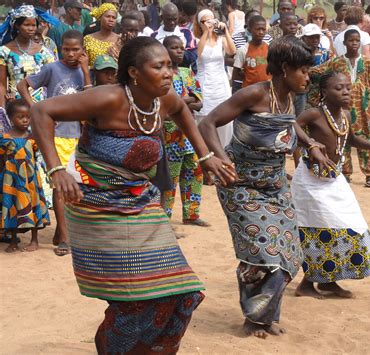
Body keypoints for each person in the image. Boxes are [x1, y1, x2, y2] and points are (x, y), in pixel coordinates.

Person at [30, 36, 236, 353]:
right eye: (159, 66)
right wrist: (57, 171)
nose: (168, 72)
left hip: (141, 202)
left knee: (180, 290)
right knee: (133, 297)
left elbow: (183, 111)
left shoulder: (164, 99)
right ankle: (112, 347)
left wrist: (206, 157)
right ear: (134, 73)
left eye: (169, 65)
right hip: (96, 205)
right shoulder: (107, 98)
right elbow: (42, 111)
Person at [199, 37, 326, 338]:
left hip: (276, 185)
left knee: (288, 252)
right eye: (304, 71)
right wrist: (219, 159)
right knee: (261, 250)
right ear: (285, 68)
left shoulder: (291, 98)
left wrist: (310, 145)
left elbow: (289, 123)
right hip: (240, 186)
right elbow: (208, 123)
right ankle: (253, 319)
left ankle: (266, 315)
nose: (308, 77)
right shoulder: (254, 94)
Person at [292, 74, 370, 299]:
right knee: (320, 230)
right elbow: (292, 125)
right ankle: (307, 283)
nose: (346, 92)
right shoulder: (314, 113)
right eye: (339, 88)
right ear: (324, 92)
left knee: (352, 227)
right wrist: (310, 144)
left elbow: (351, 140)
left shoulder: (345, 115)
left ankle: (328, 280)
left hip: (334, 178)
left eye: (348, 88)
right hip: (311, 181)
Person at [17, 30, 91, 256]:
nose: (70, 53)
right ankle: (66, 239)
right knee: (60, 187)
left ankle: (63, 230)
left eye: (75, 49)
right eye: (66, 49)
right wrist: (36, 109)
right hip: (56, 135)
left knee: (78, 187)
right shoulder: (52, 68)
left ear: (82, 51)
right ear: (60, 50)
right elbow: (22, 86)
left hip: (79, 136)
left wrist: (86, 71)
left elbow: (89, 99)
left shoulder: (85, 72)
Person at [308, 29, 370, 187]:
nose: (354, 43)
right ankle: (345, 173)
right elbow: (316, 72)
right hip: (342, 109)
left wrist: (368, 87)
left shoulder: (367, 61)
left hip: (364, 108)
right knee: (342, 139)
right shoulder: (337, 62)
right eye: (351, 40)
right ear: (344, 43)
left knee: (365, 138)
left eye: (357, 40)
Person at [162, 35, 209, 227]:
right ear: (165, 51)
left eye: (182, 47)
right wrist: (186, 101)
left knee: (194, 172)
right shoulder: (162, 75)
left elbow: (199, 102)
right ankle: (164, 218)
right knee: (170, 176)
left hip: (189, 133)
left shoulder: (187, 73)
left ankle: (191, 214)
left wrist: (182, 102)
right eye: (174, 47)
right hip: (170, 133)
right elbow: (166, 105)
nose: (180, 51)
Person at [1, 99, 50, 253]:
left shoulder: (32, 137)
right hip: (12, 179)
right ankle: (14, 240)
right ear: (10, 118)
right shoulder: (5, 138)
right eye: (20, 117)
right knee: (12, 207)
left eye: (27, 117)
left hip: (30, 179)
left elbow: (38, 156)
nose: (25, 120)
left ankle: (34, 240)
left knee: (33, 206)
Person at [194, 9, 235, 148]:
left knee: (224, 118)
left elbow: (232, 51)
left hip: (220, 84)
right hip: (205, 84)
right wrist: (207, 31)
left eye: (212, 19)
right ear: (200, 24)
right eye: (205, 20)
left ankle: (224, 150)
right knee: (204, 117)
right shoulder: (197, 40)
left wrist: (226, 32)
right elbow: (198, 54)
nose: (209, 23)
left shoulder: (220, 39)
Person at [0, 5, 56, 108]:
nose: (31, 29)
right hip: (16, 106)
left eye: (34, 25)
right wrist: (2, 111)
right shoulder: (4, 52)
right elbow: (1, 85)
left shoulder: (45, 52)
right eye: (26, 25)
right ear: (17, 26)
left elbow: (52, 80)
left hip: (41, 105)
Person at [232, 15, 270, 89]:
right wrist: (248, 77)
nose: (261, 32)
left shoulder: (270, 48)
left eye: (263, 29)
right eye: (258, 29)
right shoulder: (243, 50)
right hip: (249, 91)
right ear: (250, 29)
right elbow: (235, 74)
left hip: (267, 90)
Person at [154, 2, 197, 69]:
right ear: (162, 17)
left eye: (175, 19)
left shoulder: (186, 33)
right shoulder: (154, 36)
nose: (172, 22)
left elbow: (193, 56)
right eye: (169, 19)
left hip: (182, 74)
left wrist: (174, 53)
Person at [83, 3, 119, 67]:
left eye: (114, 17)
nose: (111, 20)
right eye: (108, 16)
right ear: (100, 18)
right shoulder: (88, 39)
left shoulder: (119, 40)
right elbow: (84, 62)